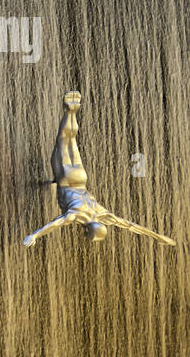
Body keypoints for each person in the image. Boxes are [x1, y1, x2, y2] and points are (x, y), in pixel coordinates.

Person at [23, 91, 175, 247]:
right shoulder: (75, 215)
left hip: (81, 178)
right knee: (63, 139)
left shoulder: (104, 215)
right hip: (66, 179)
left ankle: (72, 112)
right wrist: (35, 235)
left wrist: (158, 236)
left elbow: (131, 226)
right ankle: (70, 110)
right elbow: (55, 223)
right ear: (87, 230)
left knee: (71, 141)